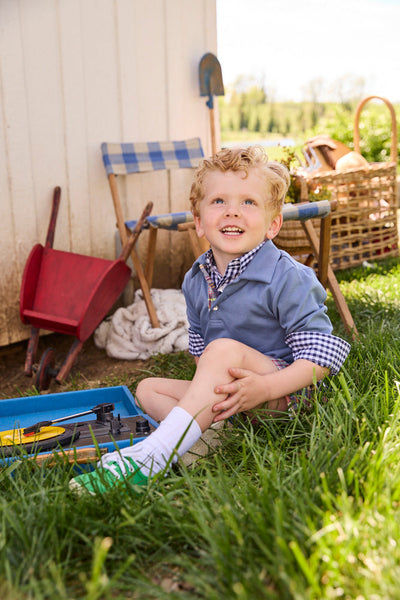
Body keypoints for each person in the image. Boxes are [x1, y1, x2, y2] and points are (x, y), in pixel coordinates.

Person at [70, 146, 350, 495]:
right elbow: (203, 355)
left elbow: (321, 360)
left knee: (223, 351)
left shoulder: (288, 277)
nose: (232, 211)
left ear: (272, 224)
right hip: (235, 399)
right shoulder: (195, 279)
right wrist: (220, 389)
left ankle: (150, 458)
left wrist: (263, 389)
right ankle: (207, 440)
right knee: (148, 389)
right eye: (219, 201)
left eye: (249, 202)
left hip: (286, 396)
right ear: (199, 221)